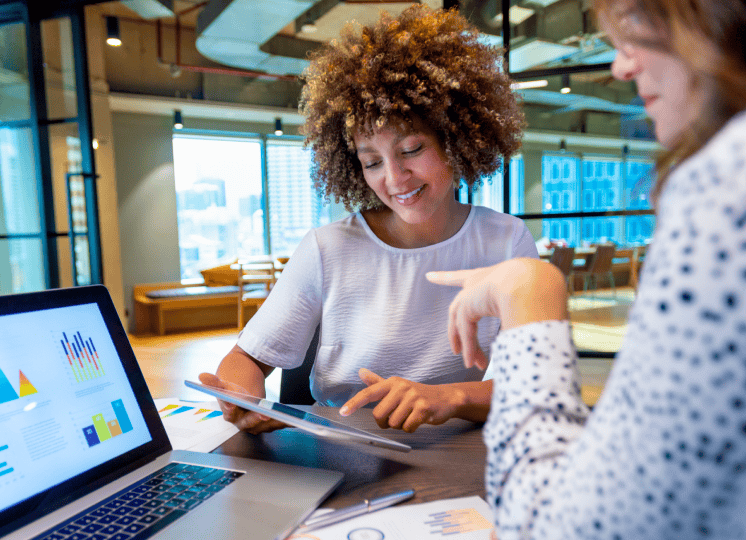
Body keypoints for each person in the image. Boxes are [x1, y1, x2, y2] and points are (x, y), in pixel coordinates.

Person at [427, 0, 746, 537]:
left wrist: (529, 290)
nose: (621, 67)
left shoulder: (722, 191)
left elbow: (563, 525)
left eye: (638, 25)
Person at [198, 5, 537, 434]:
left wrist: (449, 397)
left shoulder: (506, 241)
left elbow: (529, 385)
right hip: (342, 449)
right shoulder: (327, 248)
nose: (394, 179)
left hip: (465, 454)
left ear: (457, 140)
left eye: (411, 150)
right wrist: (241, 397)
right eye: (371, 161)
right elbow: (247, 358)